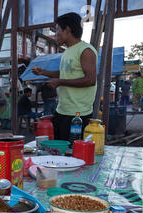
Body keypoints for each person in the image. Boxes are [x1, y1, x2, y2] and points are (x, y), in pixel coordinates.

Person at [33, 12, 97, 141]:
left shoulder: (85, 50)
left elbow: (90, 80)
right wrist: (44, 72)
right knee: (59, 150)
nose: (55, 35)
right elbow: (65, 73)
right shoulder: (68, 51)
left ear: (67, 30)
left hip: (78, 114)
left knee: (74, 153)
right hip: (62, 110)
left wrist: (60, 82)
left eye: (57, 30)